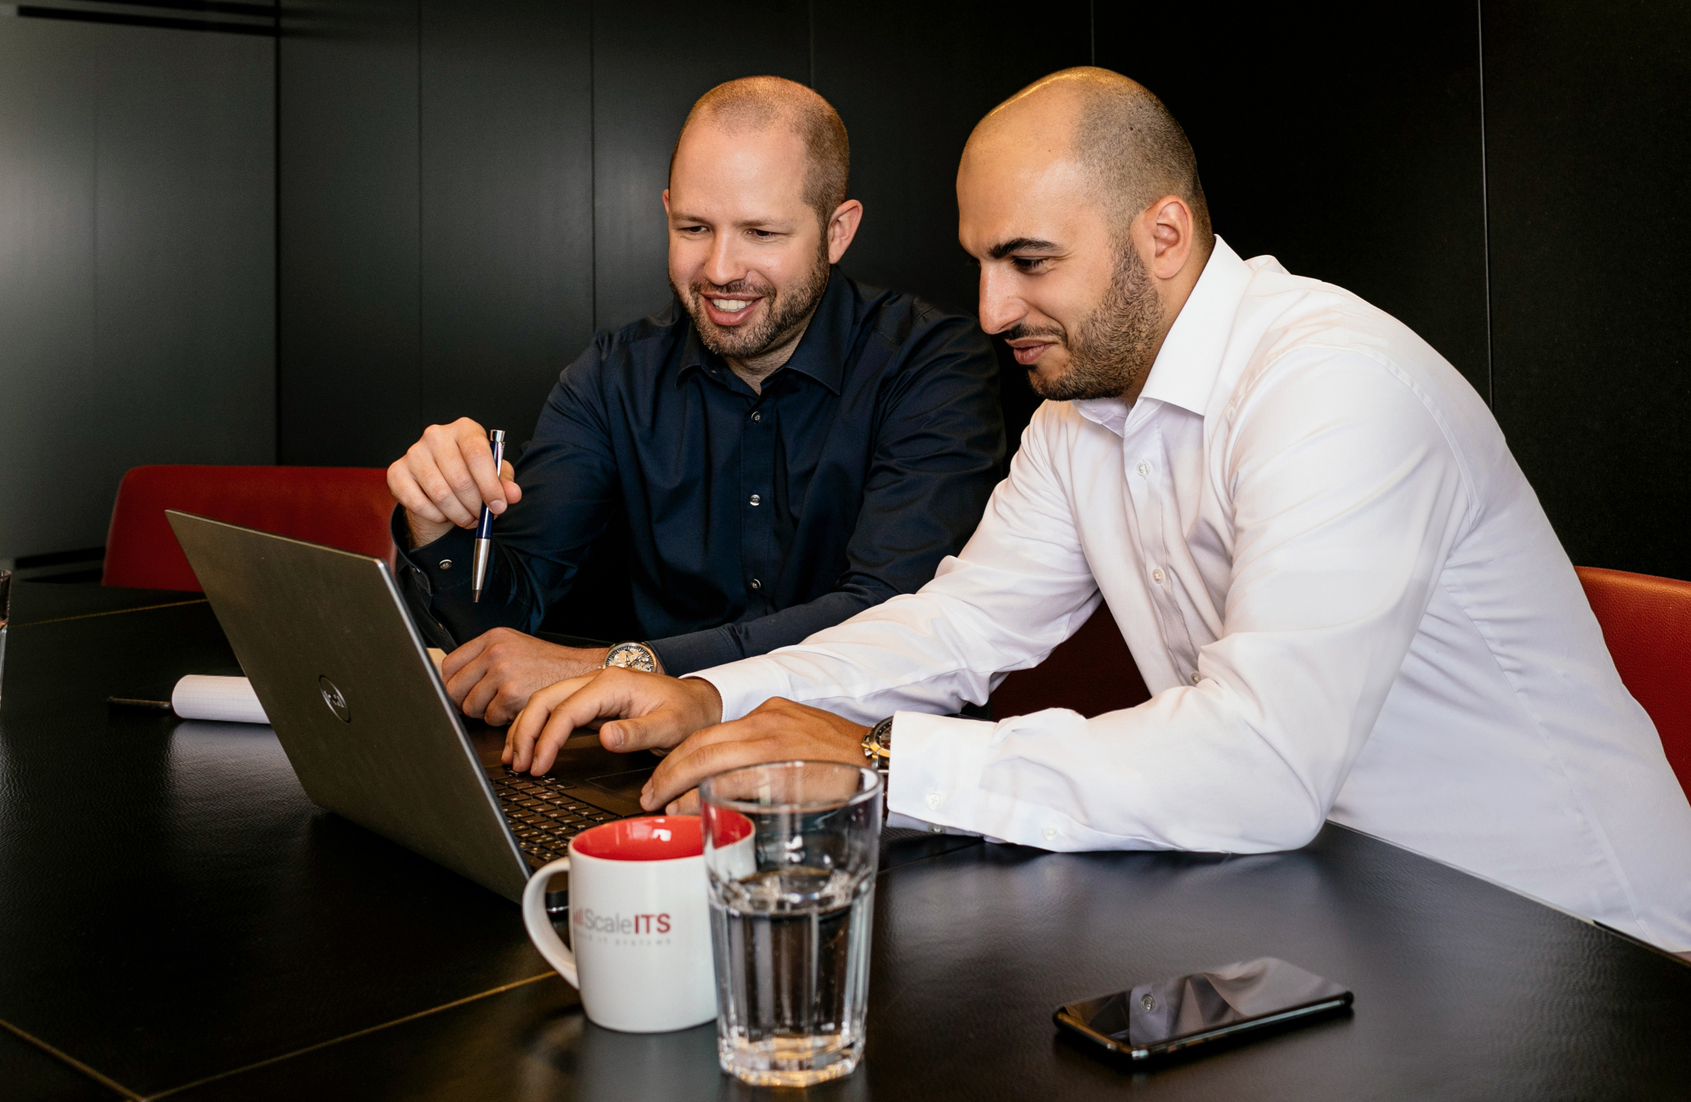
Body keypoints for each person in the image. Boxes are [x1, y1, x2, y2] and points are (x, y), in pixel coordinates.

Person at [508, 67, 1691, 950]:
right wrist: (710, 696)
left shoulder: (1335, 387)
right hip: (1352, 918)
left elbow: (1257, 766)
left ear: (1162, 234)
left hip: (1587, 951)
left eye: (1028, 261)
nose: (987, 307)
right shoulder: (1079, 416)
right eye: (980, 262)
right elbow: (952, 628)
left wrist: (874, 757)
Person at [387, 76, 1006, 724]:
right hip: (645, 774)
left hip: (868, 772)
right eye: (694, 226)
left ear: (837, 232)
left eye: (761, 233)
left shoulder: (932, 362)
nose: (718, 268)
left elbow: (888, 617)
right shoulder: (611, 377)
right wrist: (437, 519)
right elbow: (501, 632)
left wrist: (622, 665)